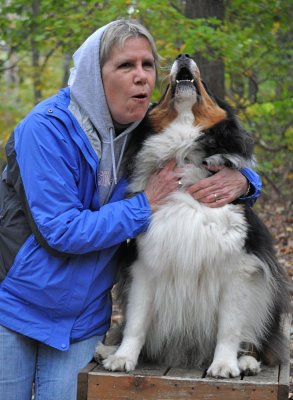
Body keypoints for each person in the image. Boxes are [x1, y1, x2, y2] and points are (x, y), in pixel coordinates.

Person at [0, 19, 261, 400]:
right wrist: (145, 203)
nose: (141, 77)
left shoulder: (140, 133)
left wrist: (247, 181)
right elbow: (60, 230)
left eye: (147, 66)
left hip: (83, 320)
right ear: (95, 74)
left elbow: (209, 146)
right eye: (125, 66)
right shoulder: (45, 129)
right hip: (18, 309)